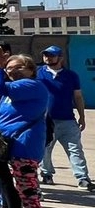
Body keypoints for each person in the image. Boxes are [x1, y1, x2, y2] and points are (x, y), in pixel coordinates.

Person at [0, 50, 51, 208]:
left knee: (28, 192)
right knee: (23, 190)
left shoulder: (32, 85)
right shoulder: (12, 89)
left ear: (31, 69)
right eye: (8, 68)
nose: (11, 71)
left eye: (17, 67)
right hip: (12, 145)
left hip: (25, 146)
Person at [36, 46, 91, 191]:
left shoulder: (71, 76)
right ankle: (46, 174)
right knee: (45, 149)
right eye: (45, 55)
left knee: (75, 149)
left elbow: (77, 97)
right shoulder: (38, 73)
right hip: (45, 120)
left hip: (68, 120)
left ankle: (82, 178)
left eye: (51, 55)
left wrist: (82, 116)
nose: (47, 58)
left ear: (60, 58)